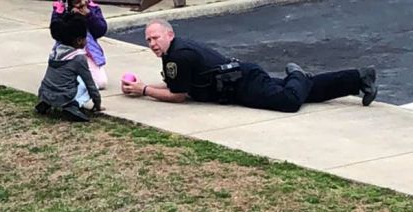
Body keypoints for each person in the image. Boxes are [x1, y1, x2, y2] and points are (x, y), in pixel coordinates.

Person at [121, 19, 378, 113]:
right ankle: (359, 78)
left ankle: (297, 73)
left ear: (170, 35)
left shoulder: (179, 55)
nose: (152, 43)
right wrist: (140, 86)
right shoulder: (173, 54)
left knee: (289, 101)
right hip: (237, 82)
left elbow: (177, 95)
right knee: (309, 92)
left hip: (242, 83)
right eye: (148, 40)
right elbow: (175, 84)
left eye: (155, 38)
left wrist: (143, 91)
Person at [35, 13, 102, 122]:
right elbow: (90, 84)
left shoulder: (54, 52)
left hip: (44, 92)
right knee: (91, 83)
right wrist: (97, 103)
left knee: (59, 78)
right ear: (79, 40)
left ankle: (46, 103)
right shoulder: (78, 59)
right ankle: (73, 105)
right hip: (64, 96)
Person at [51, 0, 108, 90]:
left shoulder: (92, 8)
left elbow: (100, 30)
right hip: (67, 52)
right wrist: (69, 16)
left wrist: (89, 16)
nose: (81, 3)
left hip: (88, 52)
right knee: (60, 79)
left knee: (101, 83)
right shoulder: (61, 8)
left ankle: (80, 78)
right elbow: (56, 33)